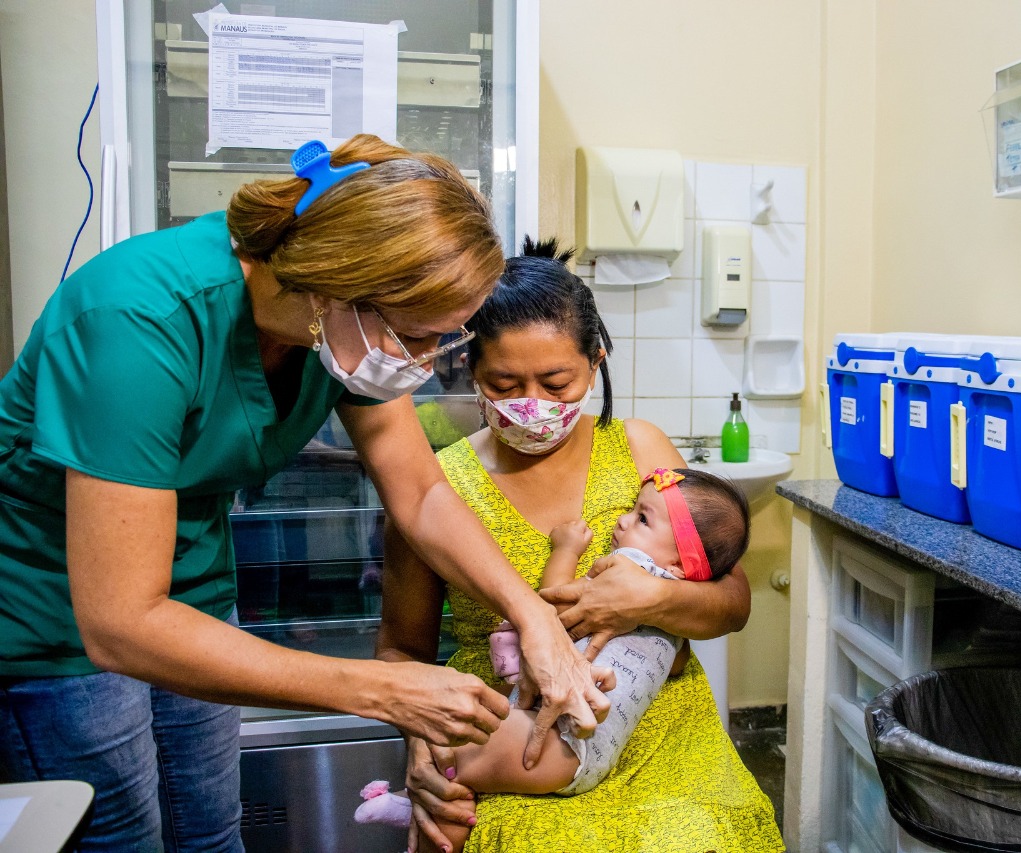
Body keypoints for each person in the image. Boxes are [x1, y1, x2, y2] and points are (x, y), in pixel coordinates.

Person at [0, 135, 610, 852]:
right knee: (121, 836)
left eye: (439, 342)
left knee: (209, 833)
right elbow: (120, 620)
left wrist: (529, 610)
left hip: (191, 590)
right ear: (334, 281)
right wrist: (382, 687)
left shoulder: (335, 332)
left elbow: (419, 493)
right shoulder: (137, 319)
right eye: (415, 336)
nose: (417, 367)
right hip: (58, 615)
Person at [377, 238, 785, 853]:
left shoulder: (640, 449)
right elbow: (402, 649)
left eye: (557, 382)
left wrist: (645, 598)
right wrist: (425, 744)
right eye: (505, 384)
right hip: (512, 730)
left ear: (594, 363)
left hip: (653, 719)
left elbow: (733, 601)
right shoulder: (432, 488)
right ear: (471, 371)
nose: (533, 406)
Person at [357, 467, 752, 848]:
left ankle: (410, 804)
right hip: (588, 745)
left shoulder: (630, 569)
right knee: (463, 766)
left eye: (642, 519)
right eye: (633, 509)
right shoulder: (676, 614)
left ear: (680, 565)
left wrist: (565, 549)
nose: (622, 520)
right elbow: (677, 662)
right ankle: (416, 809)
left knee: (453, 748)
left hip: (564, 739)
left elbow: (554, 605)